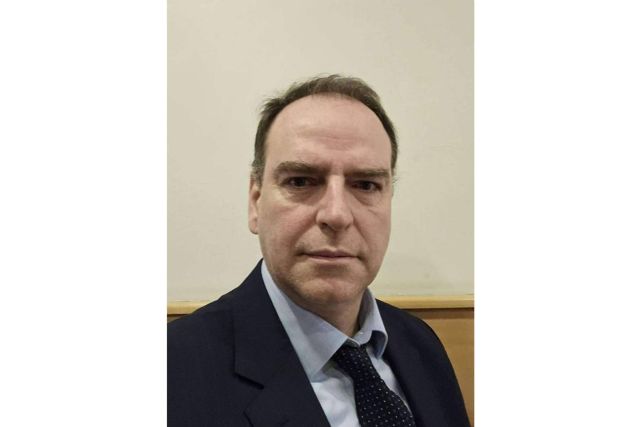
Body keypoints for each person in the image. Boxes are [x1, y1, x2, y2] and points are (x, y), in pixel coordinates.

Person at [168, 75, 470, 427]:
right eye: (300, 181)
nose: (337, 214)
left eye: (366, 184)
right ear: (255, 201)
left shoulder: (421, 344)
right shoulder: (172, 373)